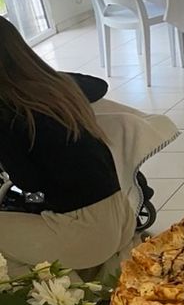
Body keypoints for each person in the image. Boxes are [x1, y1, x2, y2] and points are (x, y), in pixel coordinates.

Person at [0, 16, 135, 276]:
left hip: (84, 232)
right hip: (121, 217)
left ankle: (54, 293)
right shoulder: (52, 85)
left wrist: (26, 201)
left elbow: (31, 185)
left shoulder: (7, 112)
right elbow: (98, 85)